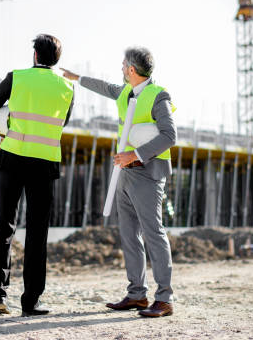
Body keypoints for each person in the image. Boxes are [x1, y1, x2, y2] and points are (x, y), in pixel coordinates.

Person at [61, 46, 176, 318]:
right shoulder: (125, 92)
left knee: (153, 233)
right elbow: (105, 87)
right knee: (129, 234)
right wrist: (76, 78)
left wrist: (135, 154)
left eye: (123, 65)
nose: (121, 69)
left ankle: (165, 298)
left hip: (148, 172)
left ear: (132, 70)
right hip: (126, 172)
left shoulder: (158, 96)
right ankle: (137, 294)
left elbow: (169, 136)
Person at [0, 34, 74, 316]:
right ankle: (31, 301)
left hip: (12, 159)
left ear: (34, 55)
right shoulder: (67, 87)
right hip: (44, 164)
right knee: (37, 233)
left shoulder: (16, 78)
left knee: (5, 227)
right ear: (57, 59)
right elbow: (62, 122)